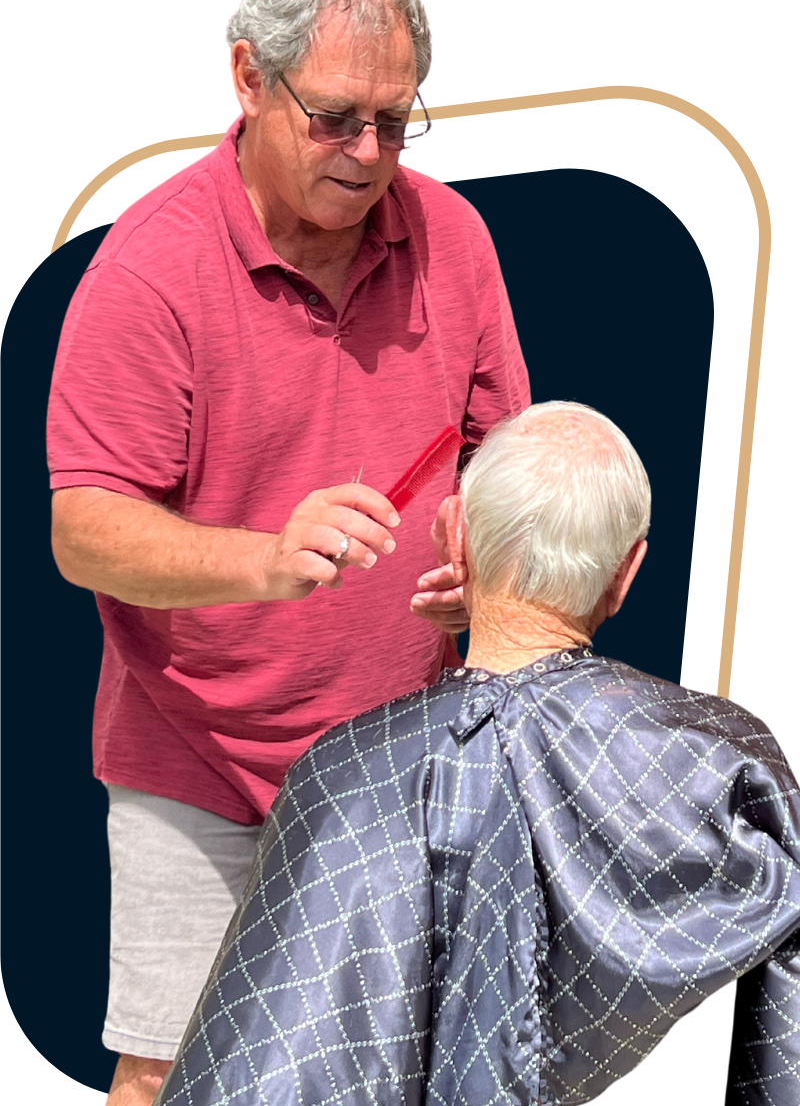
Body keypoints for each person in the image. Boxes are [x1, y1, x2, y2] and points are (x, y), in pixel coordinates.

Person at [46, 0, 530, 1106]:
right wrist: (265, 559)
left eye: (394, 119)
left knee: (397, 1071)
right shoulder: (150, 269)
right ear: (249, 80)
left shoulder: (452, 242)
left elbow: (501, 454)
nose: (368, 155)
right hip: (196, 761)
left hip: (396, 763)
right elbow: (86, 532)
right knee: (170, 1070)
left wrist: (489, 563)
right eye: (334, 118)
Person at [153, 401, 800, 1106]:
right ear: (629, 568)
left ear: (454, 537)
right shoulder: (719, 768)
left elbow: (261, 1067)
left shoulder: (342, 774)